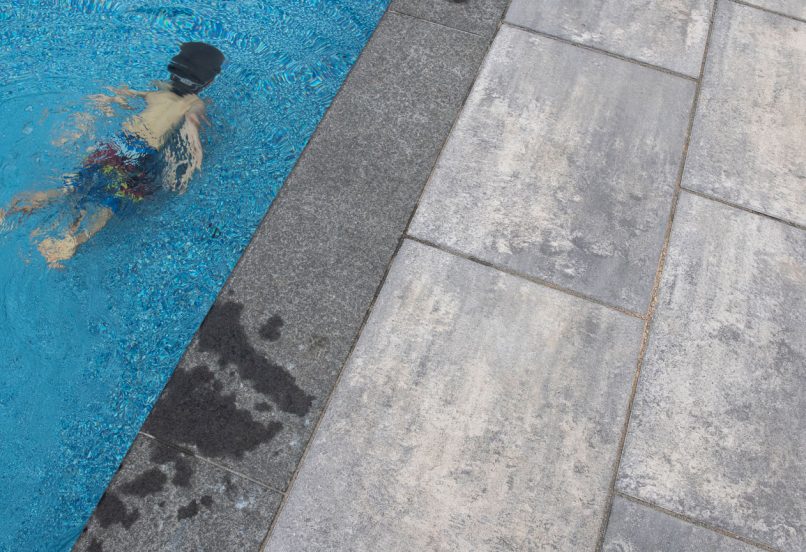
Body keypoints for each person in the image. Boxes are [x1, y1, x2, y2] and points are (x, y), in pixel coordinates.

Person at [0, 42, 225, 267]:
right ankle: (72, 242)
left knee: (72, 186)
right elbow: (193, 125)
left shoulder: (159, 90)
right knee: (109, 204)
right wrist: (195, 150)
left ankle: (10, 211)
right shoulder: (195, 103)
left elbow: (127, 97)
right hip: (140, 153)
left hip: (117, 141)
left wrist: (111, 100)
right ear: (208, 82)